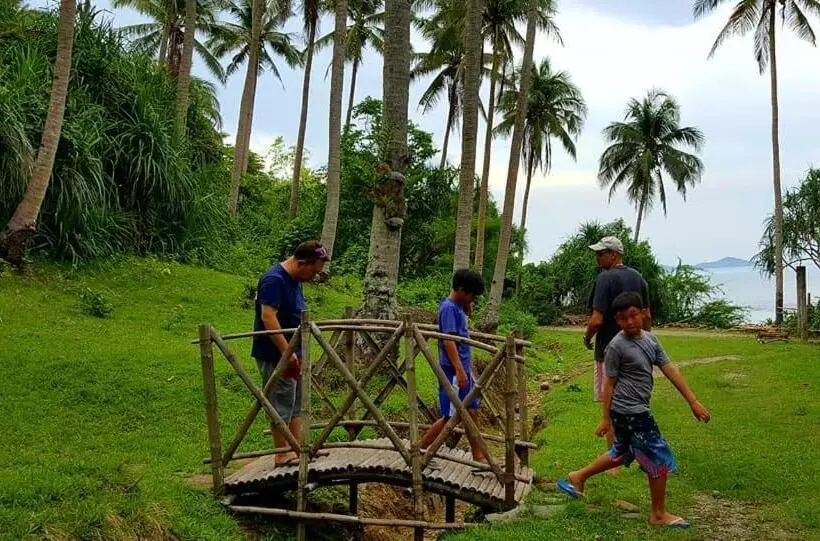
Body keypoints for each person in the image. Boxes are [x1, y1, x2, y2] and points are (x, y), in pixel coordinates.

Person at [558, 291, 712, 529]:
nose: (628, 322)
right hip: (630, 411)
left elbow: (670, 369)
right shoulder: (616, 346)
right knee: (658, 456)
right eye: (622, 318)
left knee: (621, 452)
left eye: (633, 316)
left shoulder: (651, 340)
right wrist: (605, 418)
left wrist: (693, 401)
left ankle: (577, 477)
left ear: (643, 313)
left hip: (633, 410)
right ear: (616, 320)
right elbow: (608, 384)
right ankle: (658, 514)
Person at [252, 241, 329, 466]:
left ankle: (298, 449)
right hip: (274, 352)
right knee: (281, 401)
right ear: (302, 263)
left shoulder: (296, 280)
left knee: (295, 401)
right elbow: (268, 317)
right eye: (313, 272)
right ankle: (282, 453)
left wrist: (299, 351)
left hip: (294, 350)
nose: (314, 277)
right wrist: (286, 351)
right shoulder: (274, 280)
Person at [584, 236, 650, 456]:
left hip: (608, 353)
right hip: (635, 353)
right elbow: (647, 316)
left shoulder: (605, 279)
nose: (597, 258)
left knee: (609, 403)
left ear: (613, 255)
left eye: (601, 253)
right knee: (634, 401)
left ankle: (614, 457)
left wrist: (587, 337)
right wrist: (646, 343)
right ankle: (637, 448)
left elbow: (597, 320)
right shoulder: (638, 278)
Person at [420, 269, 487, 463]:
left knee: (472, 411)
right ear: (460, 289)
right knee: (448, 417)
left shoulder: (459, 306)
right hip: (453, 371)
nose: (472, 298)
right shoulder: (448, 308)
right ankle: (421, 450)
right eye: (471, 294)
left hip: (463, 369)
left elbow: (467, 319)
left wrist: (467, 305)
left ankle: (478, 456)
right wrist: (458, 368)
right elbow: (448, 341)